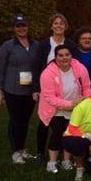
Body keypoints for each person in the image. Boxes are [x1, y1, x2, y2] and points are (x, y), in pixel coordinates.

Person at [38, 45, 91, 173]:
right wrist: (69, 104)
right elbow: (49, 97)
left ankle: (66, 160)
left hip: (75, 107)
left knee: (70, 134)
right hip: (55, 109)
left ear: (71, 56)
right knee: (57, 134)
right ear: (55, 58)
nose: (64, 58)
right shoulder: (47, 73)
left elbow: (87, 86)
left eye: (67, 54)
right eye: (60, 55)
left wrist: (85, 100)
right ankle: (52, 162)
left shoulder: (79, 67)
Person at [33, 13, 78, 163]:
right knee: (45, 121)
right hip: (47, 89)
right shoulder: (44, 44)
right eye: (56, 23)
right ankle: (40, 151)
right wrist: (36, 89)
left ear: (65, 26)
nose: (59, 26)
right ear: (51, 26)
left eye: (61, 23)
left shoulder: (71, 45)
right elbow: (37, 66)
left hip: (66, 89)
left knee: (63, 123)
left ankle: (62, 152)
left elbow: (75, 66)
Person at [0, 14, 39, 164]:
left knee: (25, 120)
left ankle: (22, 148)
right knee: (15, 120)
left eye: (24, 25)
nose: (21, 29)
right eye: (18, 26)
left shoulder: (35, 45)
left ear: (27, 26)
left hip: (30, 90)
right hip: (12, 89)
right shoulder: (7, 46)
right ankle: (15, 151)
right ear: (14, 28)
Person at [61, 79, 91, 181]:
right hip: (73, 137)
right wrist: (88, 143)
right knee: (79, 143)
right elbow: (72, 128)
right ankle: (79, 169)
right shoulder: (83, 105)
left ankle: (85, 160)